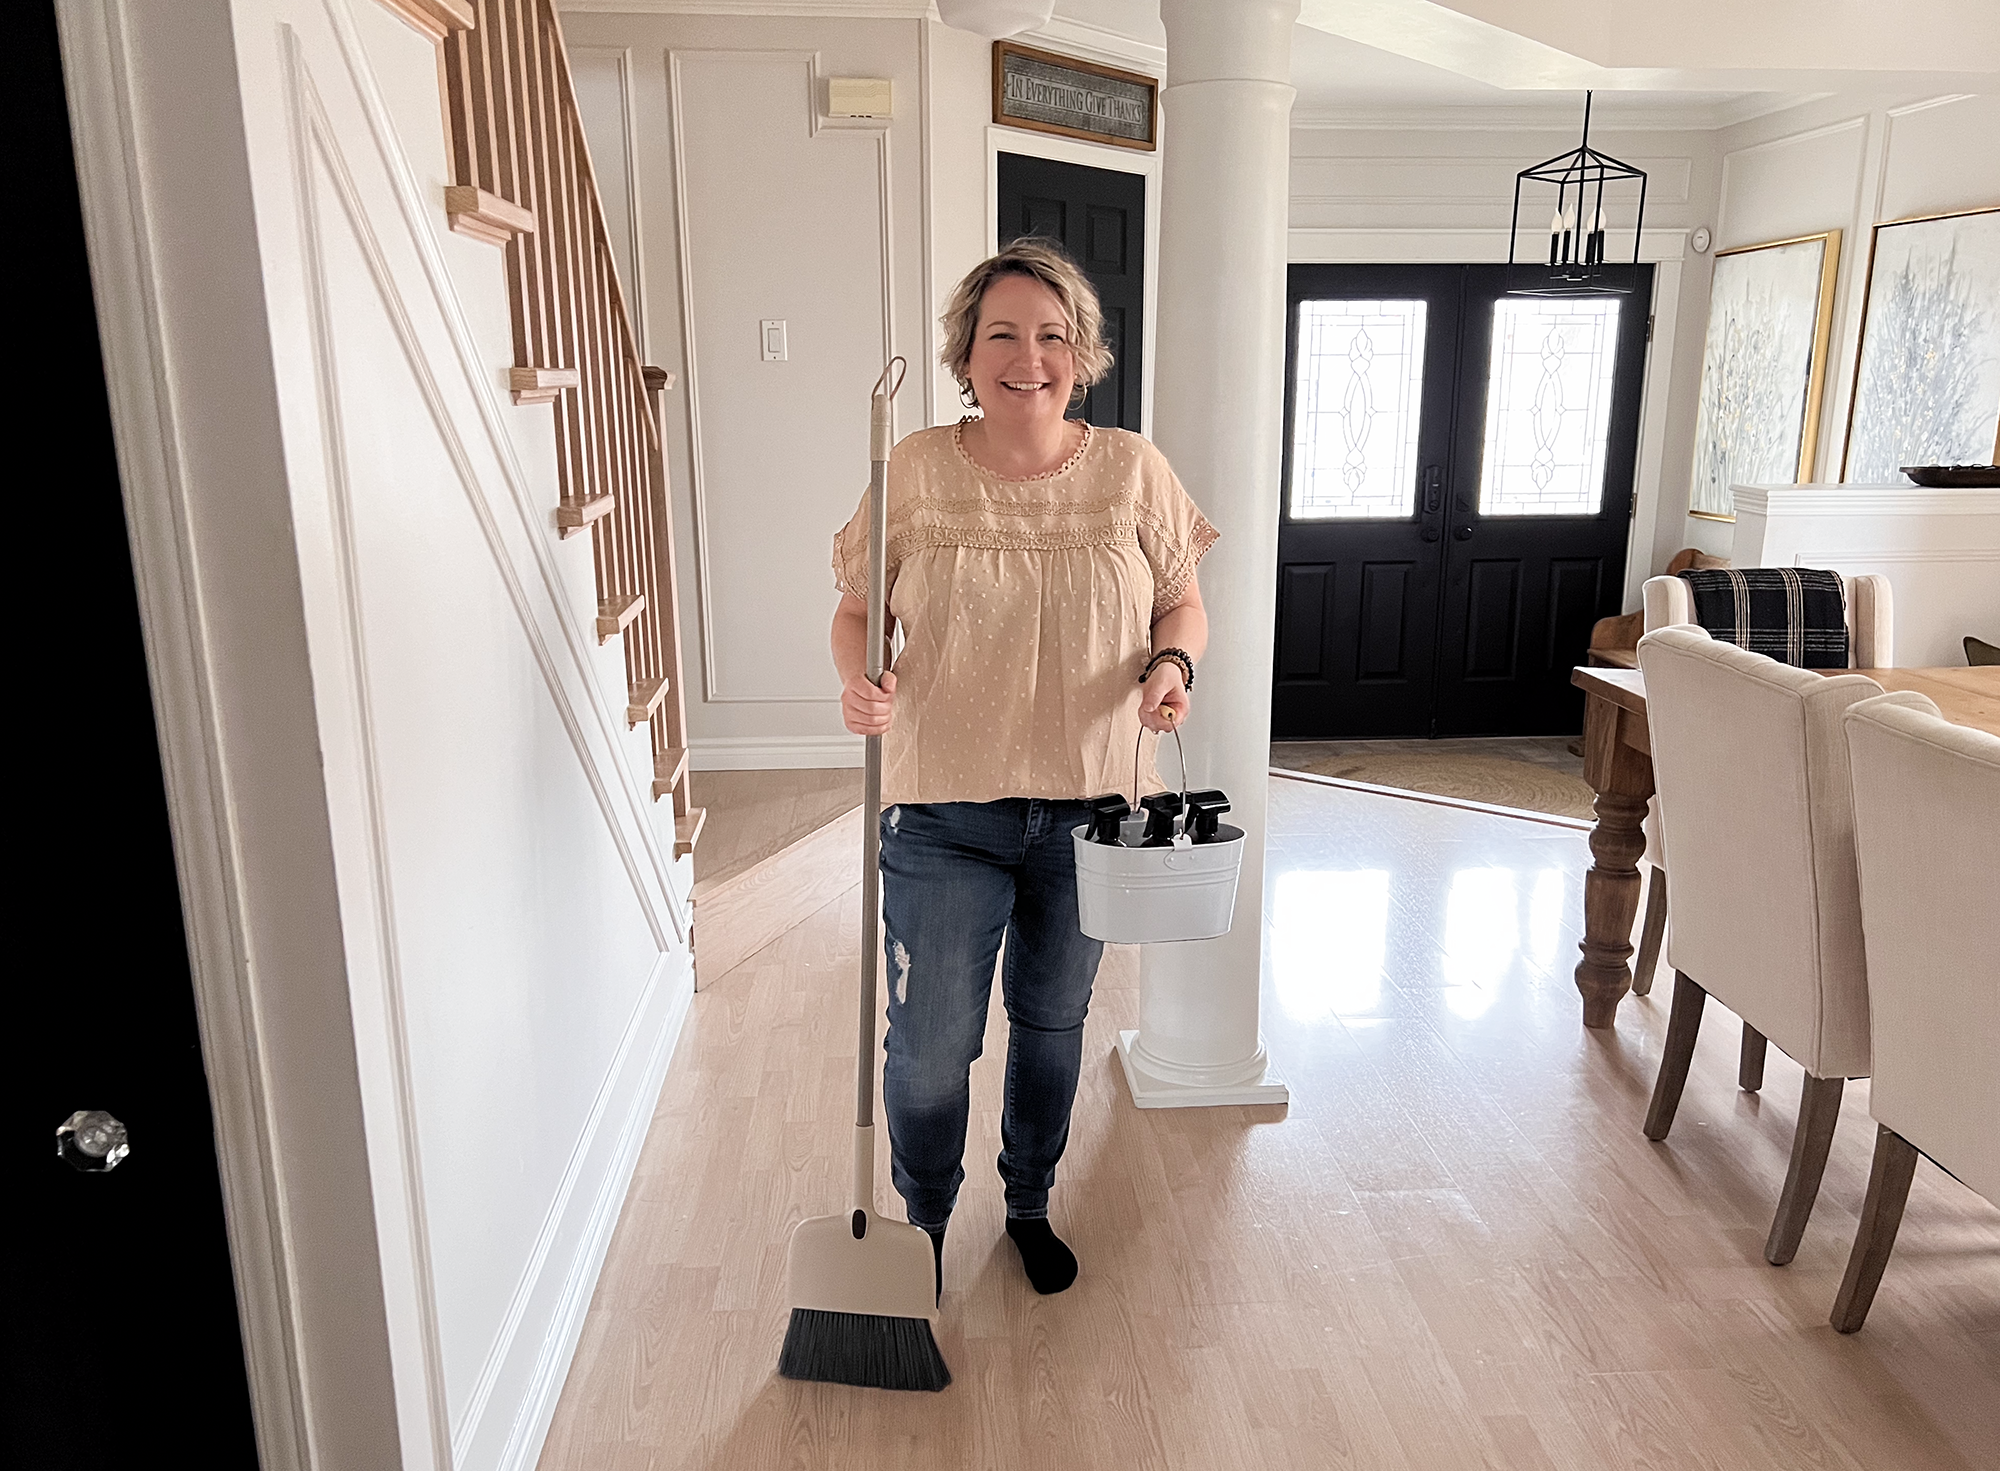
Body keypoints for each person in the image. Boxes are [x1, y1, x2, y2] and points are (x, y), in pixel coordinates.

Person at [829, 239, 1215, 1298]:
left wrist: (1171, 661)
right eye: (1001, 332)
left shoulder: (1133, 468)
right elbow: (859, 610)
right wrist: (858, 682)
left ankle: (1029, 1201)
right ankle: (926, 1220)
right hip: (942, 806)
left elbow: (1178, 596)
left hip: (1091, 809)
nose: (1027, 356)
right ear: (966, 352)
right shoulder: (910, 467)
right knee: (927, 1047)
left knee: (1051, 1023)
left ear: (1080, 352)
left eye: (1050, 334)